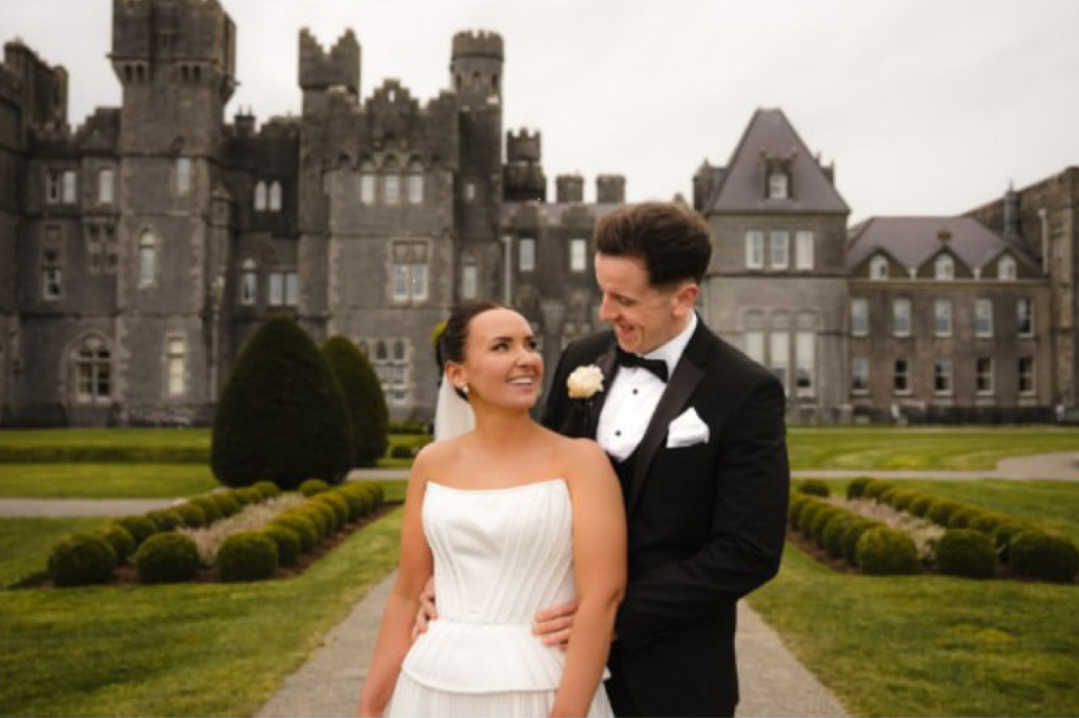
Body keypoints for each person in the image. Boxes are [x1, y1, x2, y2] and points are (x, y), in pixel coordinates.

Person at [539, 201, 790, 717]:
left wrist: (613, 618)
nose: (605, 312)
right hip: (550, 662)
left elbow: (749, 550)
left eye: (624, 299)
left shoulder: (744, 390)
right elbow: (534, 485)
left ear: (684, 297)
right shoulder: (580, 358)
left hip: (675, 678)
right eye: (602, 292)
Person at [357, 301, 627, 717]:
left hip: (542, 684)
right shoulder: (432, 463)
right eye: (502, 346)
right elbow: (407, 594)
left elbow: (602, 599)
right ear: (457, 374)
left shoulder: (581, 461)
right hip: (432, 684)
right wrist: (370, 705)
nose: (527, 358)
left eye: (530, 344)